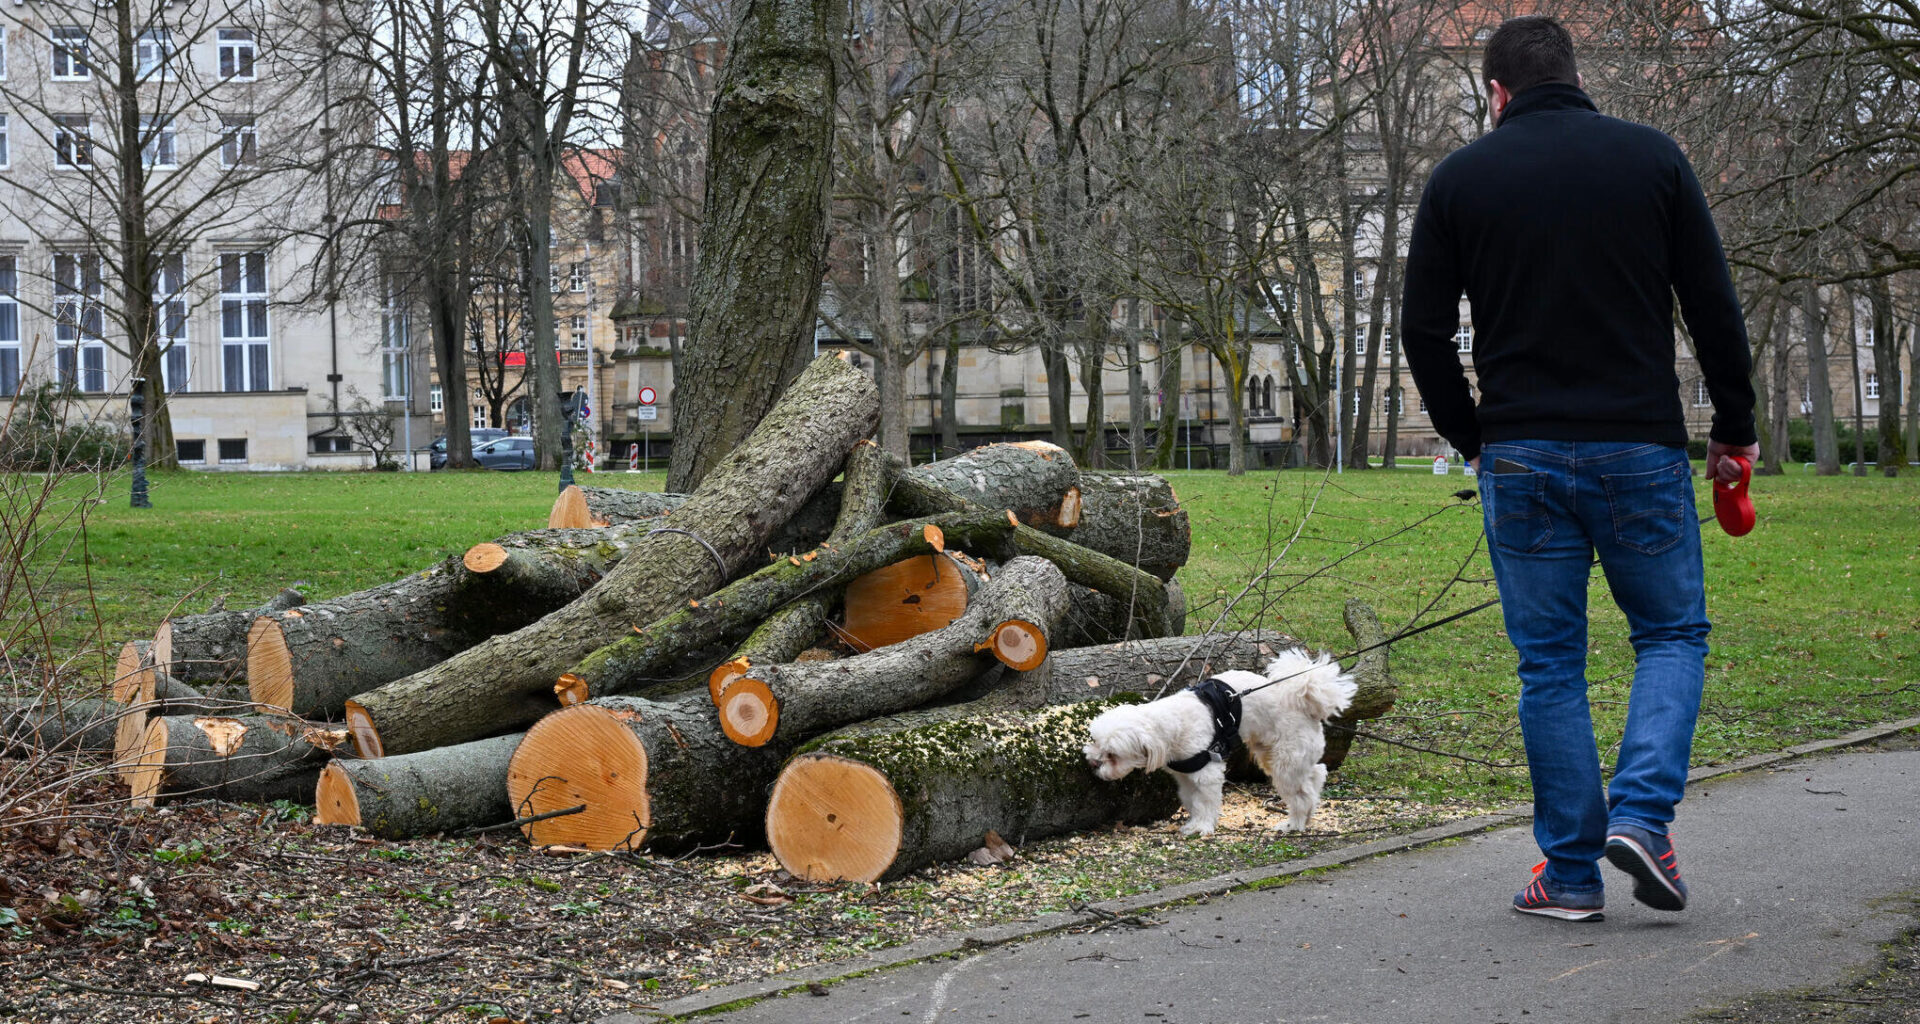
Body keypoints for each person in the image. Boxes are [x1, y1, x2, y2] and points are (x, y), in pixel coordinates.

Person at [1400, 15, 1760, 921]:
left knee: (1549, 666)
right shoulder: (1651, 159)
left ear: (1495, 93)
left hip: (1519, 452)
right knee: (1671, 635)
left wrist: (1473, 436)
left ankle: (1567, 877)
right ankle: (1642, 814)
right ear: (1574, 75)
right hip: (1638, 444)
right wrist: (1735, 426)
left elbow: (1424, 332)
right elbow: (1713, 303)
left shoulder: (1460, 179)